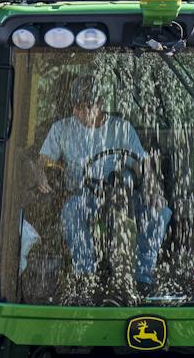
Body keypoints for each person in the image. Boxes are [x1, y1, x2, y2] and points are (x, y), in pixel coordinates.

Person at [31, 92, 170, 289]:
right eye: (77, 107)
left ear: (101, 104)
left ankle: (142, 276)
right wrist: (40, 174)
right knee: (71, 212)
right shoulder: (61, 129)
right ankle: (85, 276)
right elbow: (42, 161)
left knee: (159, 212)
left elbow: (142, 164)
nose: (81, 112)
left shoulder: (121, 128)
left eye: (87, 106)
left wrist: (152, 189)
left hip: (122, 194)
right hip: (84, 195)